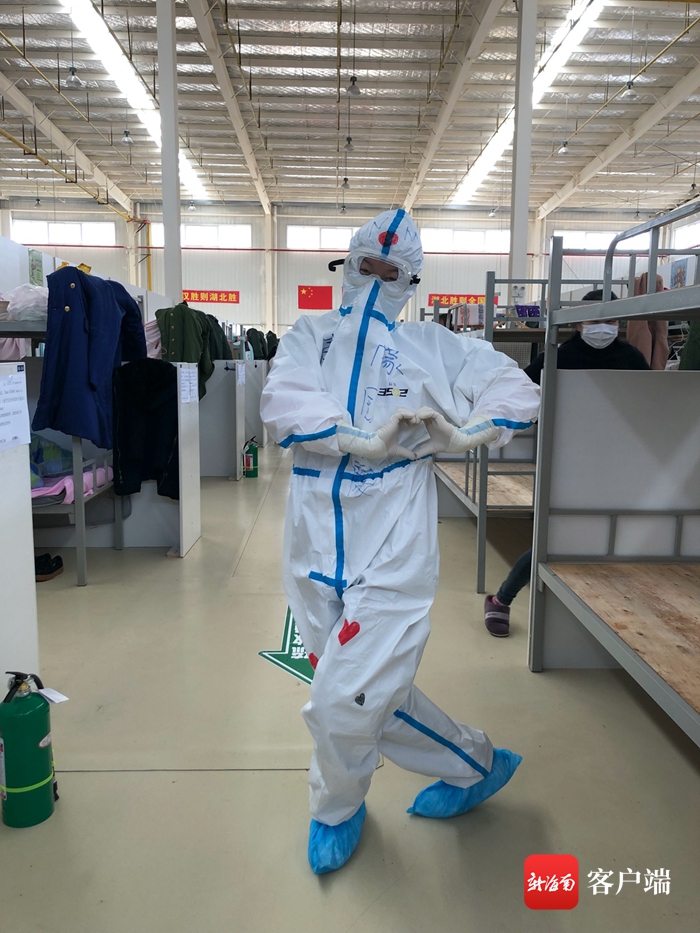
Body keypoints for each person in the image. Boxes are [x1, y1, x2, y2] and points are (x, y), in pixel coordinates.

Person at [261, 210, 540, 874]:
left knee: (341, 699)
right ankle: (476, 763)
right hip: (312, 539)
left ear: (410, 282)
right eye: (368, 266)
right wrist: (357, 439)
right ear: (348, 264)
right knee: (362, 690)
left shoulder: (430, 347)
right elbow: (283, 401)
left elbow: (514, 388)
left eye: (392, 273)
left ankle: (336, 807)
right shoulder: (310, 336)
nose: (377, 281)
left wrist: (466, 434)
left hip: (392, 539)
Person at [484, 289, 650, 638]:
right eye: (594, 319)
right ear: (577, 323)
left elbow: (650, 406)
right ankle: (502, 599)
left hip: (622, 461)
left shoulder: (632, 358)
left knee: (614, 540)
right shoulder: (557, 357)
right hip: (566, 460)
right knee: (554, 536)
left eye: (610, 319)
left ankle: (611, 613)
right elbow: (520, 391)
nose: (602, 327)